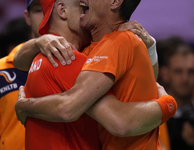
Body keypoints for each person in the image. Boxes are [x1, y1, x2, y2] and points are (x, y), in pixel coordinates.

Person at [15, 0, 177, 149]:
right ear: (62, 11)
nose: (84, 1)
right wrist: (169, 104)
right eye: (80, 5)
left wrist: (26, 106)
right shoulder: (68, 58)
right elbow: (119, 122)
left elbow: (143, 87)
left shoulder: (39, 59)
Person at [0, 0, 43, 149]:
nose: (47, 15)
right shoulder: (1, 69)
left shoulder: (86, 60)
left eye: (55, 8)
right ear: (27, 17)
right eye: (39, 10)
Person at [157, 36, 194, 150]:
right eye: (178, 71)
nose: (184, 79)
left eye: (191, 72)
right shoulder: (154, 113)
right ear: (165, 74)